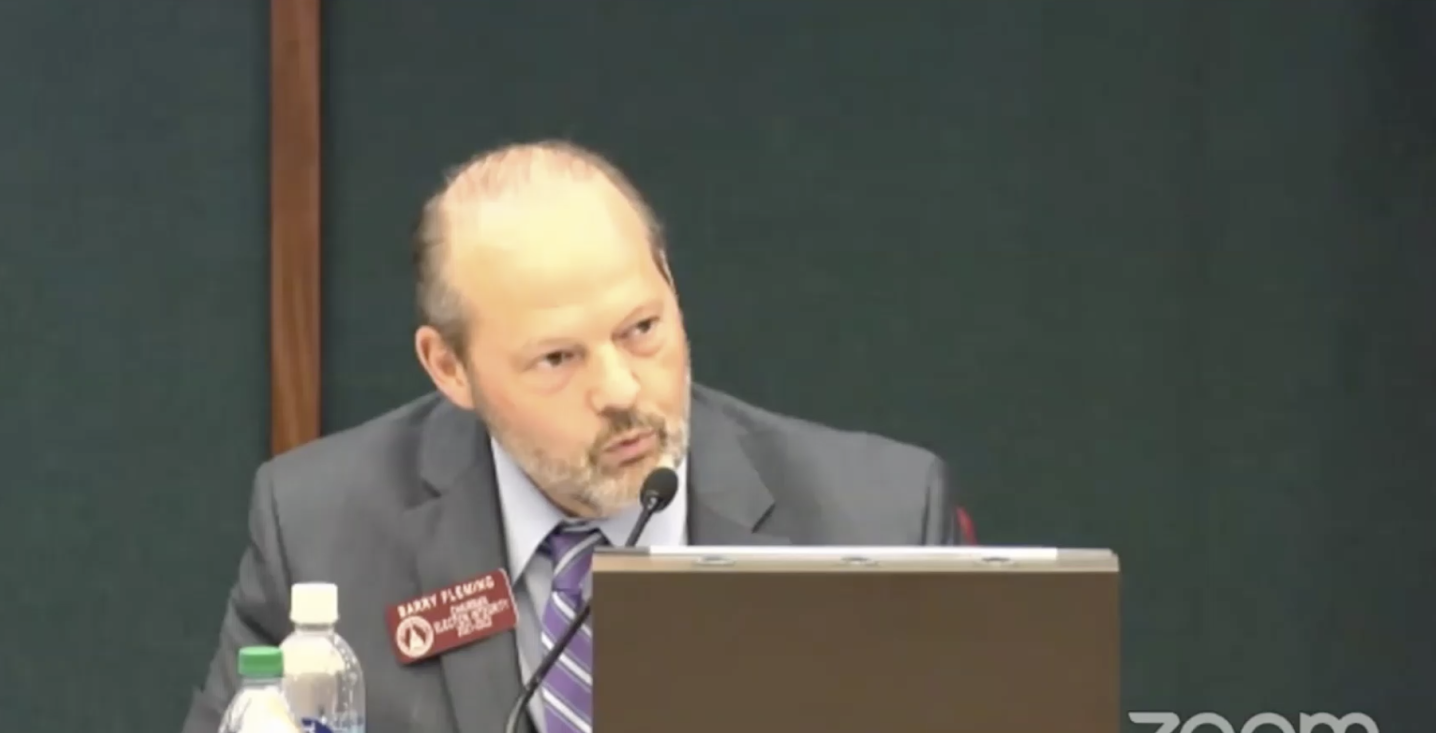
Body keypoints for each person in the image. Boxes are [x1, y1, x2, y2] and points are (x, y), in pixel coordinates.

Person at [179, 140, 964, 733]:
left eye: (642, 329)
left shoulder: (877, 521)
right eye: (558, 358)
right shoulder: (321, 528)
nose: (621, 390)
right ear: (449, 367)